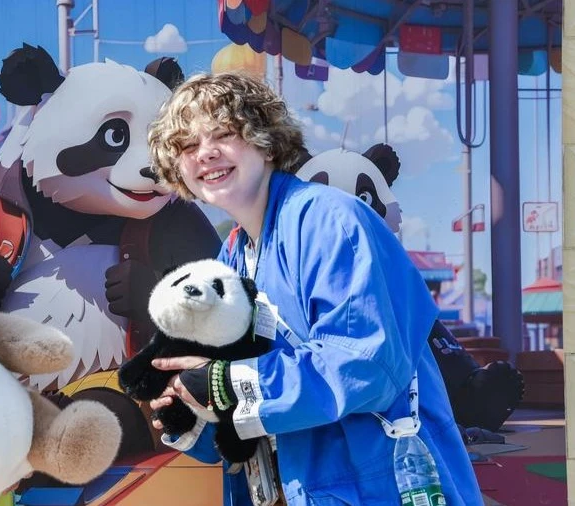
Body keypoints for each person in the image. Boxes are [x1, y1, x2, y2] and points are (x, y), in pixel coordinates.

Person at [146, 72, 483, 505]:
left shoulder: (332, 220)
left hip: (382, 486)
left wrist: (226, 383)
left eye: (224, 134)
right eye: (187, 145)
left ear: (266, 141)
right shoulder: (233, 256)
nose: (206, 153)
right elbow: (240, 412)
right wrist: (189, 406)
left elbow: (366, 365)